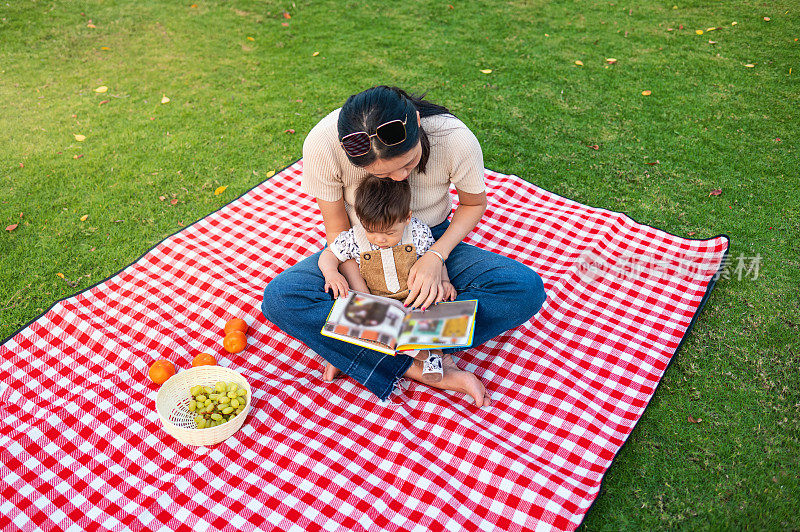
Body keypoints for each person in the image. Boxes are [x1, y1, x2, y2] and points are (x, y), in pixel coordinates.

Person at [262, 85, 547, 407]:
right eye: (381, 173)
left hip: (432, 237)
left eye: (408, 164)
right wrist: (362, 291)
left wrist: (436, 258)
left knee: (523, 289)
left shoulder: (453, 137)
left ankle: (355, 346)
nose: (399, 178)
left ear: (416, 122)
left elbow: (472, 204)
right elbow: (338, 230)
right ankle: (418, 363)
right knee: (281, 298)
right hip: (363, 242)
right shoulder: (322, 144)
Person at [319, 174, 452, 383]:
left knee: (428, 321)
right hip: (376, 303)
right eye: (371, 231)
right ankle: (418, 354)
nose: (380, 239)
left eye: (389, 233)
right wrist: (331, 273)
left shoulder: (417, 232)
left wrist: (444, 281)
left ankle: (431, 357)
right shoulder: (355, 237)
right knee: (357, 321)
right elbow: (328, 254)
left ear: (406, 218)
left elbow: (434, 259)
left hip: (412, 299)